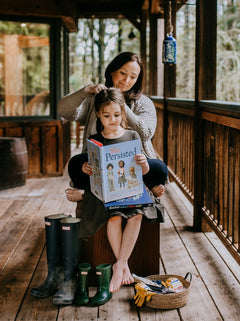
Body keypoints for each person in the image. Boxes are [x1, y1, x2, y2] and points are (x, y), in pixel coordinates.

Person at [58, 51, 168, 202]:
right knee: (76, 163)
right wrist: (85, 92)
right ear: (111, 71)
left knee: (159, 168)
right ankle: (144, 191)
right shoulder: (95, 99)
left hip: (130, 165)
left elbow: (146, 132)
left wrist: (119, 102)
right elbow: (64, 111)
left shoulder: (144, 103)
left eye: (133, 77)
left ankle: (87, 195)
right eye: (122, 73)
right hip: (101, 165)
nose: (126, 80)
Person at [78, 87, 155, 293]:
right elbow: (90, 169)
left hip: (130, 190)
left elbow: (144, 171)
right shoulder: (95, 140)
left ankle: (119, 265)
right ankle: (124, 265)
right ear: (98, 115)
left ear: (123, 112)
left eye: (116, 114)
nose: (112, 119)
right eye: (106, 115)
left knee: (136, 215)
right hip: (106, 194)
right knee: (114, 218)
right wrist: (87, 169)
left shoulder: (131, 135)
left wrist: (143, 163)